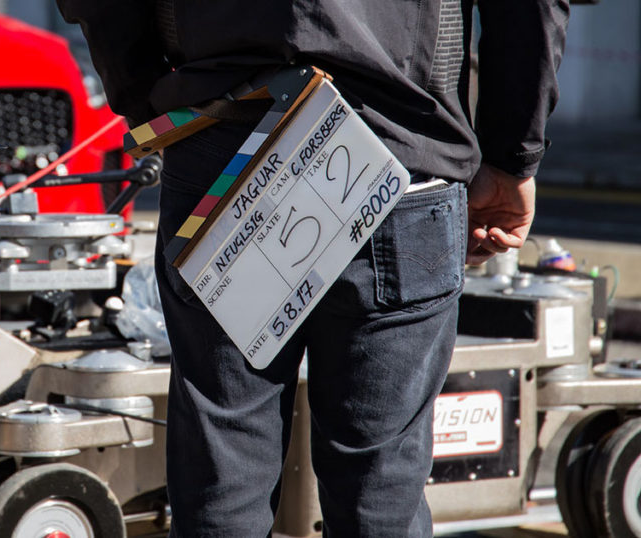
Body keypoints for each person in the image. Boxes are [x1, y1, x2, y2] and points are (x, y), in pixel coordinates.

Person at [57, 0, 569, 536]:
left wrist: (150, 96)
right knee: (380, 488)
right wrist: (512, 156)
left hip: (227, 134)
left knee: (223, 474)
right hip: (401, 144)